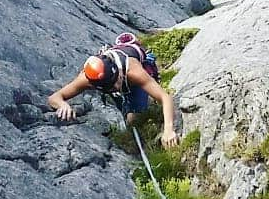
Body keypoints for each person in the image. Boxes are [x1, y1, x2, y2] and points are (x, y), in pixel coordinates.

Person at [48, 33, 179, 148]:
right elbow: (54, 97)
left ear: (118, 72)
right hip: (120, 81)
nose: (116, 86)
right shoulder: (87, 78)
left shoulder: (134, 71)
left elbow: (164, 97)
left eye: (117, 81)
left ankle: (134, 113)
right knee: (129, 117)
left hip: (133, 81)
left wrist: (168, 130)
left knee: (135, 119)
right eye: (111, 86)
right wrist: (63, 105)